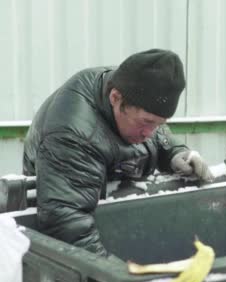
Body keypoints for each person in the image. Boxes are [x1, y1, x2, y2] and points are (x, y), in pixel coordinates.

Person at [22, 49, 213, 257]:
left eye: (159, 124)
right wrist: (113, 275)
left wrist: (174, 151)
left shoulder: (134, 91)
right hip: (65, 194)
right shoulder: (73, 134)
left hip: (104, 190)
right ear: (115, 98)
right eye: (146, 123)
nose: (150, 134)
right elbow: (67, 223)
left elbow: (157, 132)